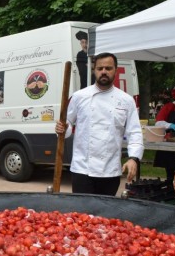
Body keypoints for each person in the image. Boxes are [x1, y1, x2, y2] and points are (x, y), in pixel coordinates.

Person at [55, 52, 143, 196]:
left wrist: (133, 158)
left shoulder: (126, 100)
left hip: (110, 170)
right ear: (94, 70)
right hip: (82, 169)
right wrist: (63, 128)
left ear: (115, 70)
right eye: (100, 68)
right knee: (82, 214)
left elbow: (134, 132)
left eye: (108, 68)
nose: (104, 72)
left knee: (104, 216)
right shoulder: (79, 96)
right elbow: (68, 123)